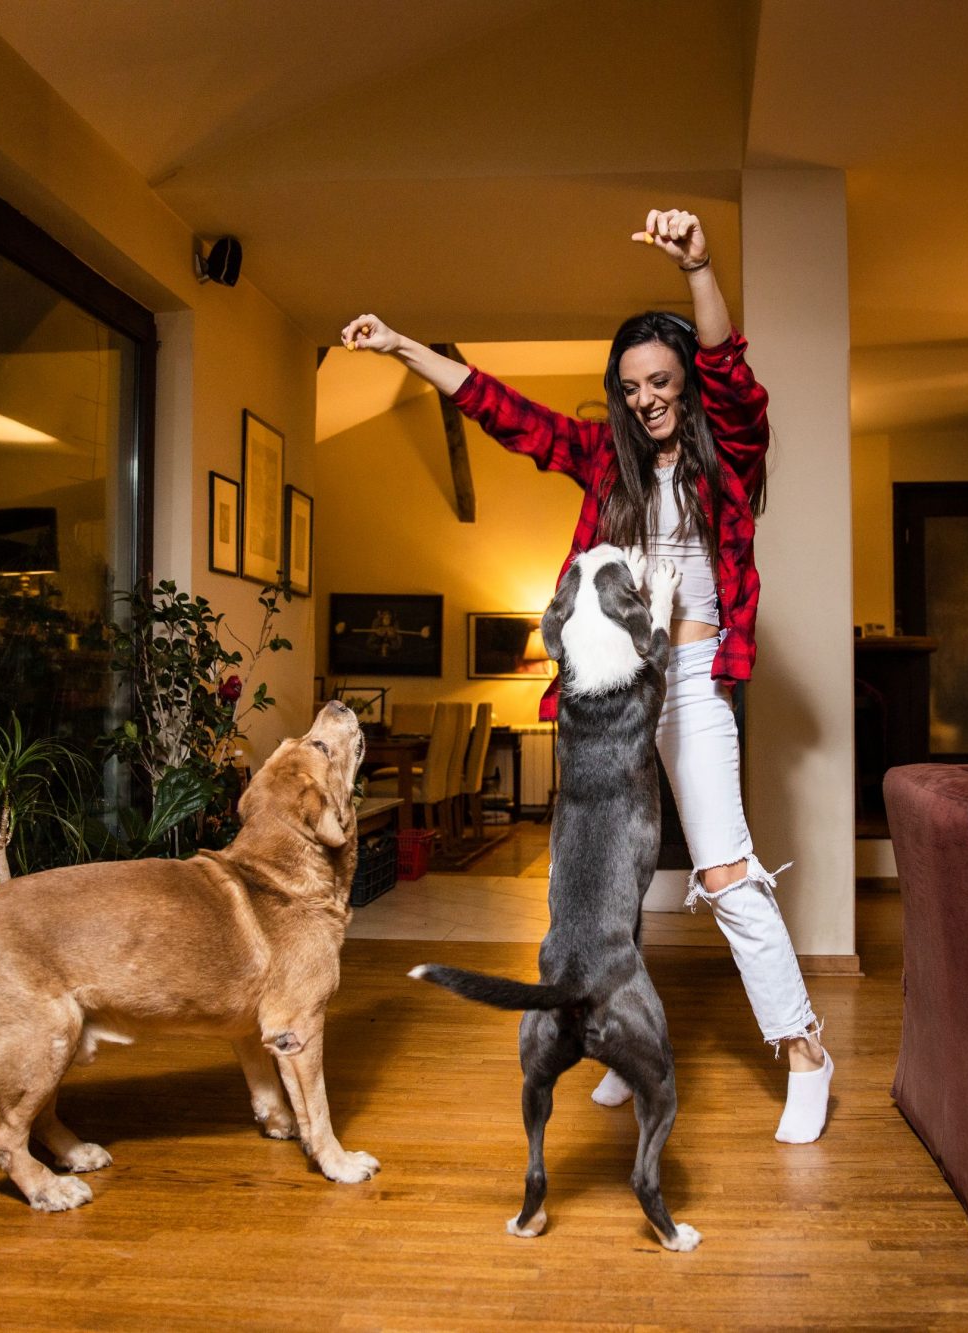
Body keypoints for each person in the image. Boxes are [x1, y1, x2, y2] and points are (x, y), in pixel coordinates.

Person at [340, 208, 832, 1144]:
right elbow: (502, 411)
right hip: (613, 691)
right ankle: (615, 1034)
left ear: (683, 379)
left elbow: (735, 375)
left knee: (724, 870)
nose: (647, 397)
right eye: (632, 384)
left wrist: (699, 267)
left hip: (690, 679)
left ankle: (804, 1047)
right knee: (602, 875)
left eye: (661, 380)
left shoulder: (730, 449)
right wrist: (404, 346)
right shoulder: (604, 456)